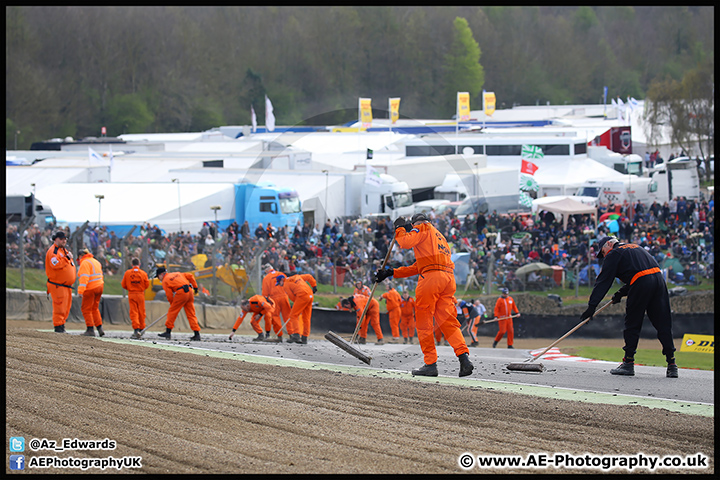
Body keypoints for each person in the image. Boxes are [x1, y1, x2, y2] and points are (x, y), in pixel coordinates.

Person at [374, 213, 473, 377]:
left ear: (415, 224)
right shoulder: (439, 237)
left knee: (424, 321)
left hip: (431, 280)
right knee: (448, 322)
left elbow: (405, 242)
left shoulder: (422, 228)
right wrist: (391, 272)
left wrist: (399, 229)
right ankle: (464, 358)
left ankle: (430, 363)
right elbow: (418, 266)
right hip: (448, 280)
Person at [583, 236, 678, 378]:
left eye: (603, 252)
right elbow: (643, 274)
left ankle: (628, 363)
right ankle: (672, 365)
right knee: (663, 323)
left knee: (632, 323)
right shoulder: (636, 248)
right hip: (659, 281)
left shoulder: (614, 254)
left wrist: (592, 306)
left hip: (642, 283)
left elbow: (603, 281)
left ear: (609, 244)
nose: (603, 256)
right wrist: (621, 293)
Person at [155, 266, 201, 341]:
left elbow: (169, 295)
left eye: (158, 276)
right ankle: (197, 334)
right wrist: (195, 287)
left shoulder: (165, 280)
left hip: (181, 293)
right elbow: (190, 276)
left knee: (172, 312)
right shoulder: (177, 273)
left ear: (161, 274)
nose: (158, 278)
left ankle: (168, 331)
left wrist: (172, 304)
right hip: (190, 291)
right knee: (191, 314)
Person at [45, 231, 76, 333]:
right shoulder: (53, 251)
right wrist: (67, 258)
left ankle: (62, 326)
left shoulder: (64, 251)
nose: (64, 241)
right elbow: (56, 264)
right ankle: (58, 327)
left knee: (66, 308)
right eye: (61, 239)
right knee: (59, 307)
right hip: (58, 285)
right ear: (56, 239)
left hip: (66, 285)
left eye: (65, 239)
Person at [277, 272, 317, 344]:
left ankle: (296, 335)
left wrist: (299, 305)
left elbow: (292, 297)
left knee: (293, 315)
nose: (280, 285)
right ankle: (304, 337)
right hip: (310, 295)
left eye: (279, 283)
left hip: (302, 295)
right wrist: (314, 286)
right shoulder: (297, 276)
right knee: (306, 318)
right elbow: (309, 276)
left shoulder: (286, 284)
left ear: (282, 280)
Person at [77, 248, 105, 336]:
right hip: (99, 286)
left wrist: (81, 291)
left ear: (81, 256)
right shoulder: (95, 261)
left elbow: (84, 277)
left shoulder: (85, 262)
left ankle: (90, 329)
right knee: (94, 308)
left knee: (86, 309)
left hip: (90, 288)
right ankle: (100, 328)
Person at [122, 258, 150, 338]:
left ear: (132, 264)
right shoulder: (143, 273)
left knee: (133, 312)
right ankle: (142, 328)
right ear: (139, 264)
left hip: (132, 294)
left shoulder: (127, 273)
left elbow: (123, 284)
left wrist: (131, 288)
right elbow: (147, 284)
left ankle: (136, 329)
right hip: (140, 294)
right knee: (141, 311)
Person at [261, 264, 290, 340]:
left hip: (274, 299)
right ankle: (293, 334)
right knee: (288, 316)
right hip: (284, 297)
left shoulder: (266, 278)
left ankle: (279, 336)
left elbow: (265, 294)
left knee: (275, 317)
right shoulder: (281, 274)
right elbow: (288, 285)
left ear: (266, 271)